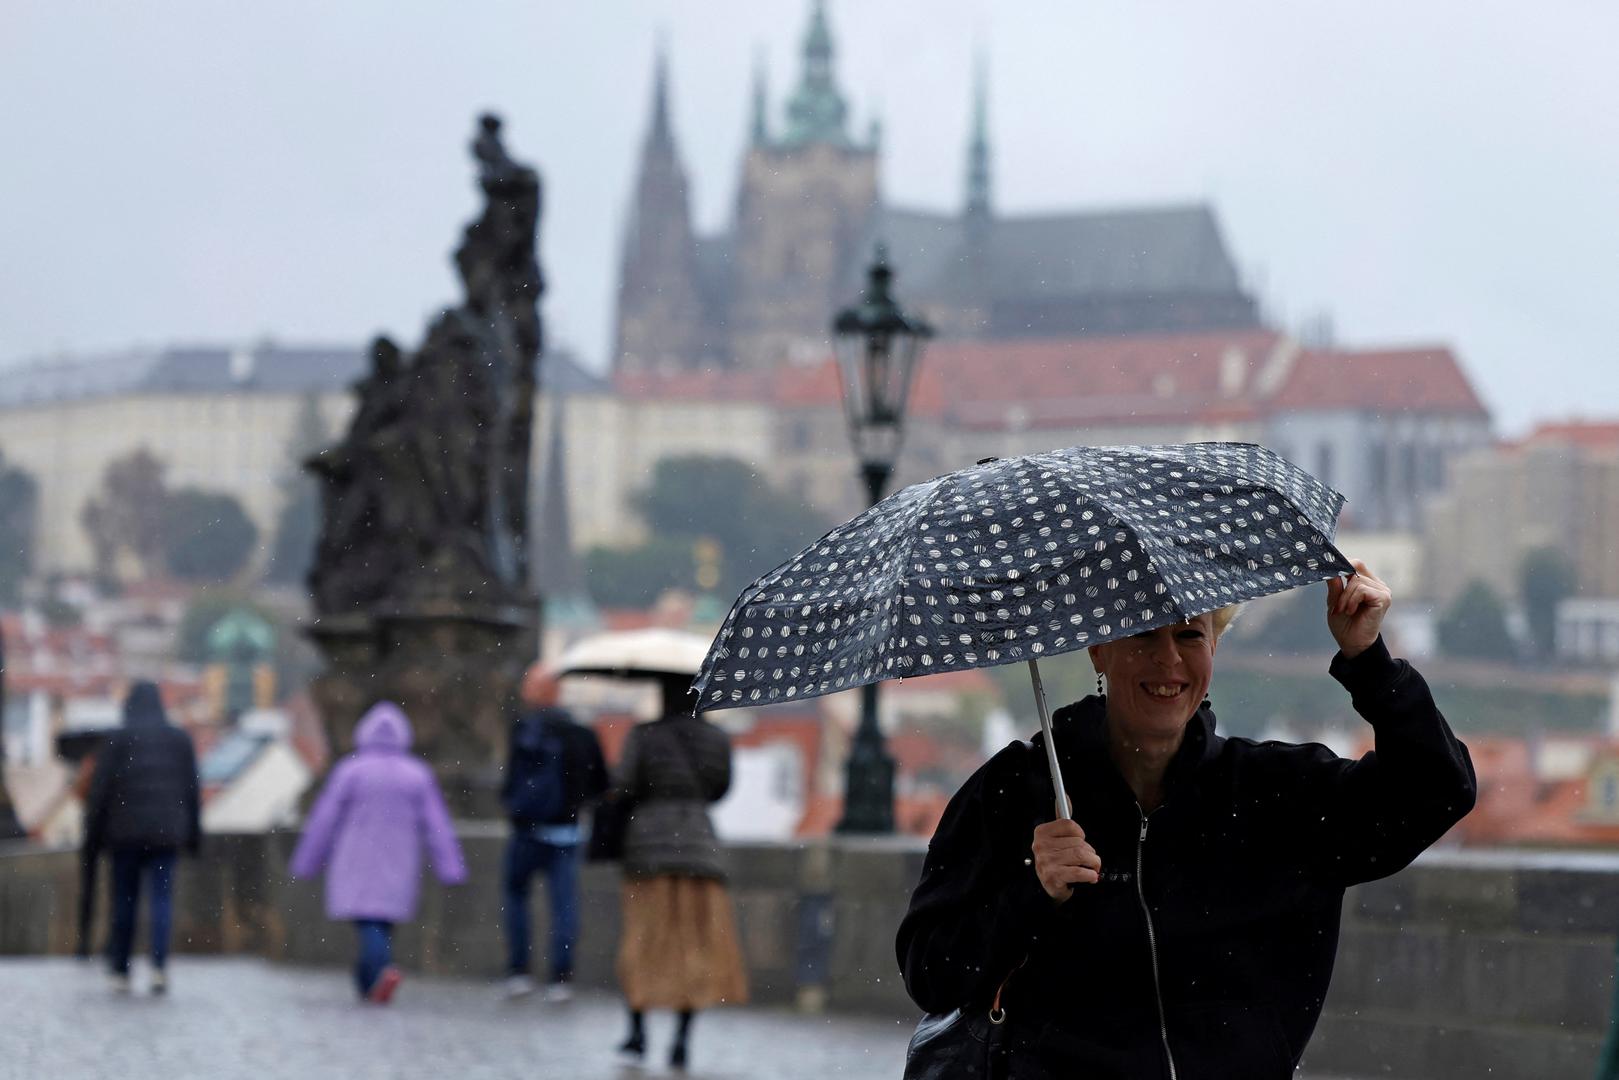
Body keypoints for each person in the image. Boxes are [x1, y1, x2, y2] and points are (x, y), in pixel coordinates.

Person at [896, 561, 1477, 1079]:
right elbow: (930, 971)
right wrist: (1031, 892)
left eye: (1189, 634)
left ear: (1215, 649)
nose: (1168, 658)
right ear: (1099, 649)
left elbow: (1438, 789)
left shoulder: (1273, 795)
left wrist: (1368, 661)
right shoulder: (1016, 791)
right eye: (1144, 631)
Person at [613, 674, 748, 1071]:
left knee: (642, 941)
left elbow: (624, 785)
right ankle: (681, 1041)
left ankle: (637, 1032)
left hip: (646, 849)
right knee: (694, 947)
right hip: (699, 849)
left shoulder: (643, 735)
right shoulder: (716, 739)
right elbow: (719, 788)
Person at [289, 701, 466, 1003]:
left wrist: (308, 861)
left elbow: (324, 819)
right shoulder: (416, 774)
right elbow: (438, 825)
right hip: (400, 861)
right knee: (382, 923)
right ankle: (371, 980)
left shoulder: (350, 771)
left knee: (367, 924)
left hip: (354, 859)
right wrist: (450, 866)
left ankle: (378, 975)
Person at [83, 681, 201, 995]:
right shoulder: (179, 739)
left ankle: (121, 969)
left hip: (125, 834)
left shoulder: (117, 739)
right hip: (166, 833)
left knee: (124, 901)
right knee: (162, 900)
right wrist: (193, 835)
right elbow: (192, 791)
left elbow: (100, 793)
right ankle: (159, 967)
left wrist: (93, 835)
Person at [500, 663, 608, 1001]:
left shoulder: (524, 729)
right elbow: (601, 785)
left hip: (527, 830)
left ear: (537, 691)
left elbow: (511, 781)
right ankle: (560, 977)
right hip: (567, 832)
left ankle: (520, 971)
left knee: (517, 896)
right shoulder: (582, 733)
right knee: (564, 905)